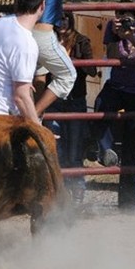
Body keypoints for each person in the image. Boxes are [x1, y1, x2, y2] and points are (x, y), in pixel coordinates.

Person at [90, 8, 135, 208]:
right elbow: (111, 57)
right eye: (120, 15)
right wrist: (117, 35)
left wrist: (132, 37)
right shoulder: (113, 27)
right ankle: (106, 149)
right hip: (118, 85)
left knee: (133, 145)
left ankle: (127, 201)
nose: (123, 20)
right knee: (100, 106)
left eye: (128, 17)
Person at [11, 0, 77, 116]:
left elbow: (16, 3)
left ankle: (33, 120)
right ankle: (33, 117)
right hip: (43, 32)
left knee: (39, 73)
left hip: (22, 32)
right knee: (68, 75)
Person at [43, 11, 97, 205]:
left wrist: (70, 62)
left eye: (66, 17)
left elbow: (92, 70)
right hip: (54, 99)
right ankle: (61, 194)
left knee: (75, 149)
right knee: (56, 148)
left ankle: (78, 193)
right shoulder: (48, 41)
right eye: (60, 17)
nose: (63, 21)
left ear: (72, 20)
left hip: (75, 99)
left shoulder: (81, 41)